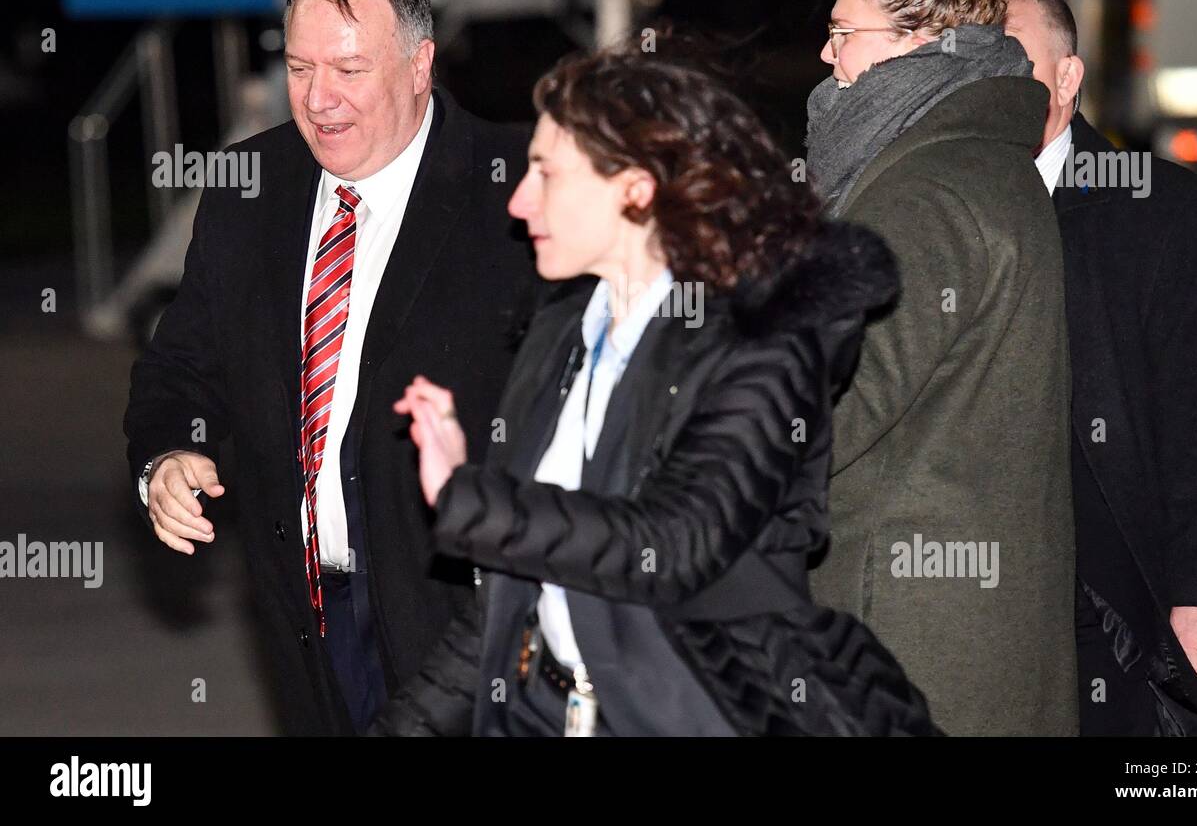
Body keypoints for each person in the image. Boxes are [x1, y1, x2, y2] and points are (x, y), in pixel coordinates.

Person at [370, 36, 938, 736]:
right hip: (544, 711)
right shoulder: (563, 329)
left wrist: (468, 496)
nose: (519, 203)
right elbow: (510, 593)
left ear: (636, 187)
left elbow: (673, 545)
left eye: (546, 174)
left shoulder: (761, 343)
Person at [123, 0, 536, 735]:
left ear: (420, 68)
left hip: (469, 620)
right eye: (301, 70)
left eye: (350, 70)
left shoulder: (515, 192)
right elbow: (180, 366)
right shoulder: (249, 191)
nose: (318, 100)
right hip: (309, 616)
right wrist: (170, 453)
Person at [804, 0, 1077, 735]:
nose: (826, 54)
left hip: (910, 634)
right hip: (969, 627)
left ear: (918, 44)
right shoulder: (982, 166)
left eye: (844, 31)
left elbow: (839, 410)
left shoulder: (922, 194)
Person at [1003, 0, 1197, 735]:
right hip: (983, 605)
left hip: (1115, 605)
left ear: (1068, 77)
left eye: (1012, 60)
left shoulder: (1156, 209)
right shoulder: (947, 211)